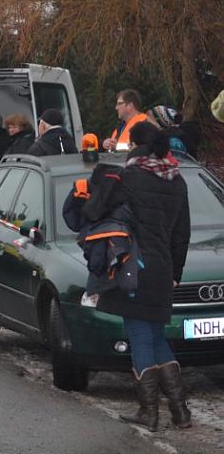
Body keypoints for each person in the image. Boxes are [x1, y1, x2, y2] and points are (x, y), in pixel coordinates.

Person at [97, 122, 192, 432]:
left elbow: (104, 212)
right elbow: (182, 234)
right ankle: (180, 412)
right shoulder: (178, 181)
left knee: (139, 333)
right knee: (154, 335)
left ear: (134, 145)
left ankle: (148, 412)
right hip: (163, 268)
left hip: (134, 265)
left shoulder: (130, 177)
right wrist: (175, 272)